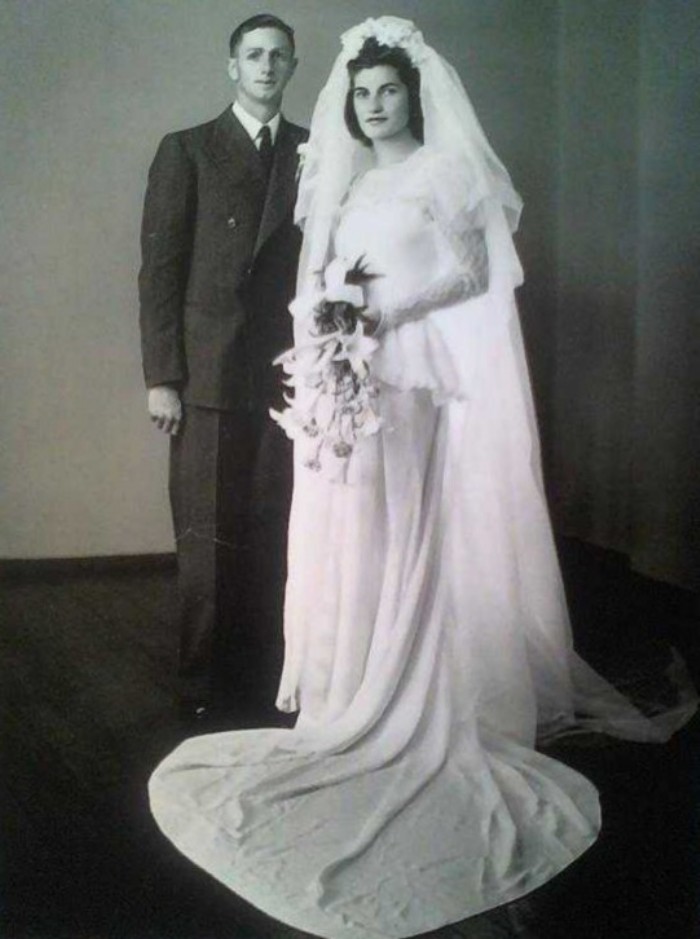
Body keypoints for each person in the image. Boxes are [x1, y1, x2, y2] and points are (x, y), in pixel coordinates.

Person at [149, 18, 696, 938]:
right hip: (357, 385)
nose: (372, 104)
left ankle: (419, 695)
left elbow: (478, 270)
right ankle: (350, 689)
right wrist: (328, 326)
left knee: (412, 534)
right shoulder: (353, 182)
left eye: (386, 90)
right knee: (352, 530)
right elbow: (311, 276)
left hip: (418, 383)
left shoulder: (449, 174)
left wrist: (374, 310)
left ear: (414, 92)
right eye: (360, 93)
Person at [138, 14, 307, 725]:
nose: (266, 66)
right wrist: (162, 376)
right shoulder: (188, 151)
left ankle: (268, 675)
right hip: (206, 374)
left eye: (279, 57)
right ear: (231, 65)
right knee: (206, 536)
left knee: (275, 525)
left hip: (288, 372)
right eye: (254, 55)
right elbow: (161, 271)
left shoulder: (313, 150)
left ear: (293, 68)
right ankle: (201, 683)